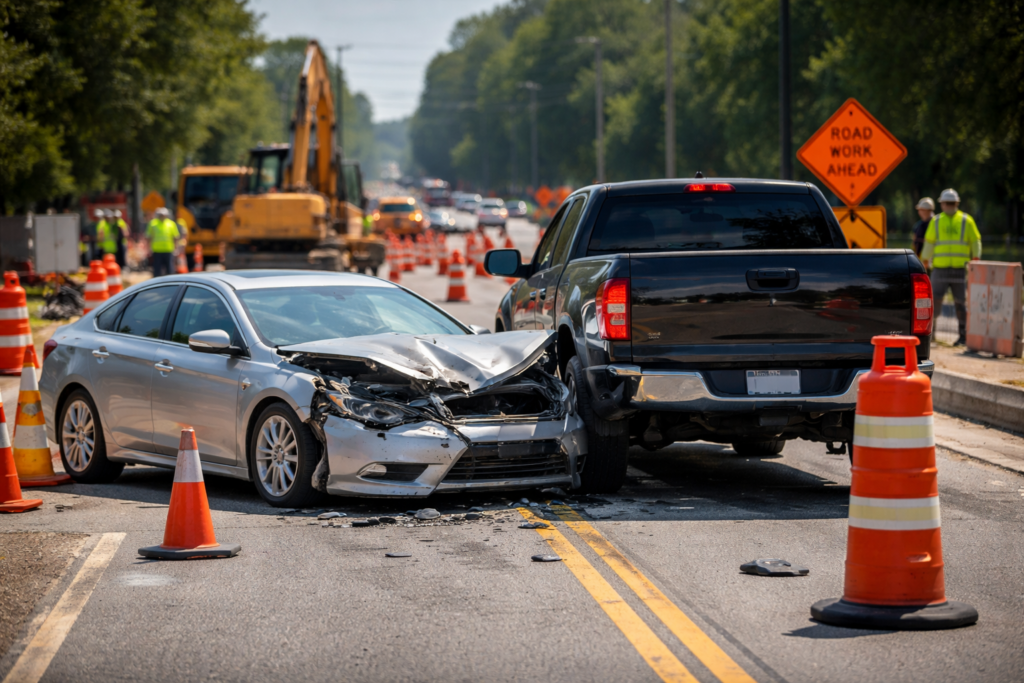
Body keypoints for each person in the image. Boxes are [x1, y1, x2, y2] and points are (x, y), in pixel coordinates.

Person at [921, 188, 982, 346]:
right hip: (953, 269)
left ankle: (936, 335)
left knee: (940, 302)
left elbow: (929, 243)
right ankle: (953, 336)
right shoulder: (964, 220)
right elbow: (975, 240)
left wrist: (924, 262)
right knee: (954, 302)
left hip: (948, 270)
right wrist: (975, 258)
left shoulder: (952, 221)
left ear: (942, 204)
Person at [146, 207, 182, 277]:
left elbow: (175, 237)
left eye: (164, 215)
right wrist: (148, 249)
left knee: (170, 270)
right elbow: (149, 237)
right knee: (157, 270)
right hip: (157, 250)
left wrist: (176, 248)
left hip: (168, 250)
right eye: (161, 215)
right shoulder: (153, 224)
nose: (162, 216)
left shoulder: (171, 224)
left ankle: (170, 283)